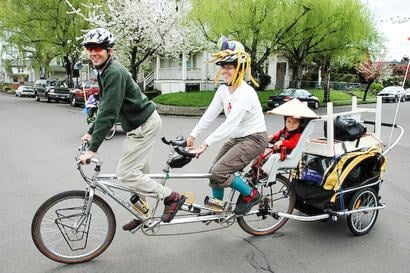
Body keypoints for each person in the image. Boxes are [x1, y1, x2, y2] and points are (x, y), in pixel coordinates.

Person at [78, 28, 185, 231]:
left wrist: (93, 148)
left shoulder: (114, 72)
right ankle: (143, 213)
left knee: (126, 173)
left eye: (98, 48)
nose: (93, 53)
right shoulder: (104, 70)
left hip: (143, 125)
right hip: (143, 123)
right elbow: (106, 105)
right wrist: (91, 130)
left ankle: (171, 197)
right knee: (139, 174)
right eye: (90, 48)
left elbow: (109, 112)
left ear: (110, 50)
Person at [187, 36, 267, 215]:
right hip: (237, 138)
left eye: (229, 67)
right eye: (223, 67)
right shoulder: (224, 90)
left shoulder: (246, 93)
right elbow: (210, 114)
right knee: (213, 172)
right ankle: (217, 209)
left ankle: (251, 195)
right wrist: (193, 135)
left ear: (240, 68)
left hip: (254, 139)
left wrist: (205, 144)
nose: (225, 71)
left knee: (219, 172)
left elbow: (230, 124)